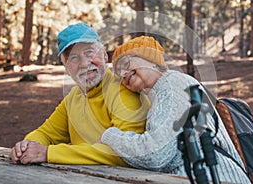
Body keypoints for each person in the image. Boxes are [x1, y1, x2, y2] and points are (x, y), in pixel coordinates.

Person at [100, 36, 251, 183]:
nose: (124, 74)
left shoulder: (173, 84)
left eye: (126, 64)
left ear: (151, 60)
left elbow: (155, 154)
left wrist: (109, 136)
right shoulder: (161, 94)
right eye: (119, 73)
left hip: (218, 177)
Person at [10, 23, 149, 166]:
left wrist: (48, 153)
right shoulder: (74, 96)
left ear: (104, 55)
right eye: (74, 58)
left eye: (89, 52)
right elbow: (46, 133)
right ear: (67, 68)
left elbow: (126, 152)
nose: (84, 63)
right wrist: (26, 146)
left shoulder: (124, 91)